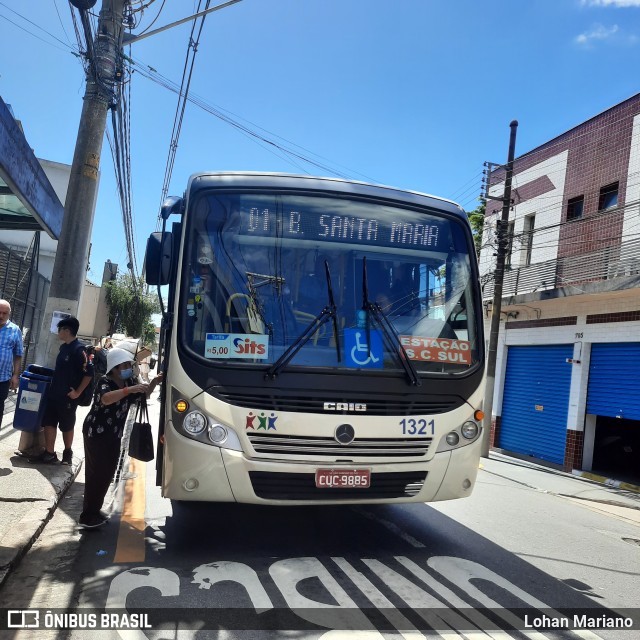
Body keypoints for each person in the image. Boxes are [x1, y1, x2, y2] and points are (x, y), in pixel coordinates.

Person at [79, 348, 163, 529]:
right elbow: (106, 399)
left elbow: (143, 397)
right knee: (96, 473)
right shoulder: (105, 382)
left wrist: (154, 382)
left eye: (129, 366)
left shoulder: (129, 381)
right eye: (124, 366)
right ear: (115, 368)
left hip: (114, 434)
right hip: (97, 433)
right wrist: (128, 390)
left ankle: (95, 510)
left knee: (107, 473)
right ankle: (87, 515)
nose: (128, 369)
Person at [30, 316, 94, 465]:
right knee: (49, 422)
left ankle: (67, 453)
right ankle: (49, 453)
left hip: (68, 398)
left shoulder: (80, 350)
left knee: (67, 425)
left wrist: (77, 392)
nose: (58, 332)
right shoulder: (63, 347)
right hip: (54, 395)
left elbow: (89, 374)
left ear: (67, 330)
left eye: (60, 329)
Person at [0, 299, 23, 418]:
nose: (1, 315)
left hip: (3, 379)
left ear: (9, 314)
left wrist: (15, 375)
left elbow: (18, 355)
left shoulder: (15, 330)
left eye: (5, 313)